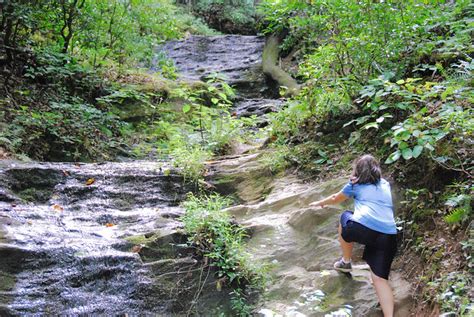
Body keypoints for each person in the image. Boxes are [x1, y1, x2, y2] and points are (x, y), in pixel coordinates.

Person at [309, 154, 398, 317]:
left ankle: (346, 261)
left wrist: (319, 203)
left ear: (357, 170)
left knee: (345, 216)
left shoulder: (355, 184)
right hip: (389, 235)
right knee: (380, 280)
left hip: (362, 228)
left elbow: (336, 198)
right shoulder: (385, 184)